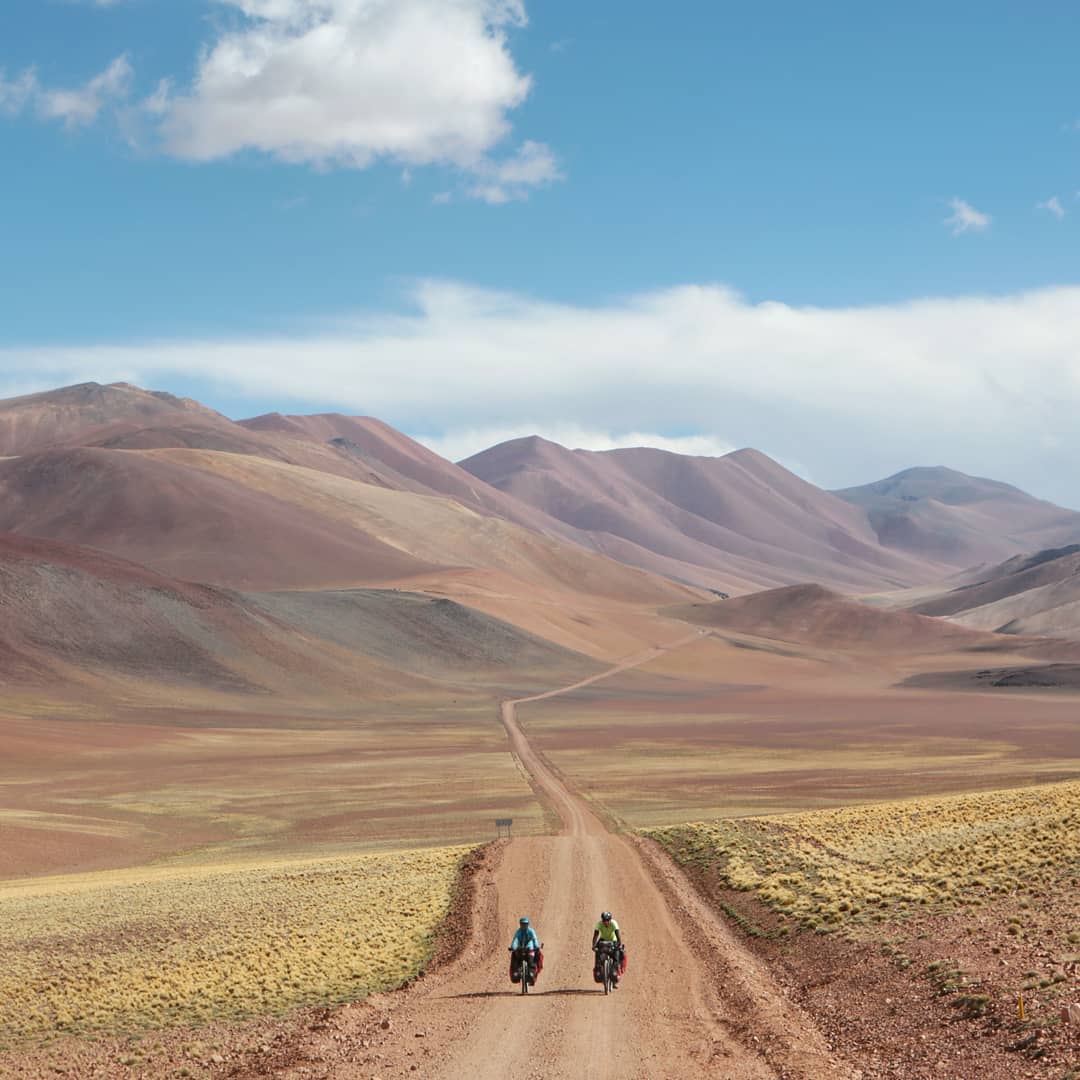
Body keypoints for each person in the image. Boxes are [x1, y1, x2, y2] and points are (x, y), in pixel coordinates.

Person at [591, 911, 626, 986]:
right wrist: (594, 946)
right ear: (602, 920)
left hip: (613, 940)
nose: (606, 922)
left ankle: (615, 975)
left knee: (616, 955)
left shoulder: (614, 923)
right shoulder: (599, 924)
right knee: (598, 953)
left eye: (607, 920)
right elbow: (595, 935)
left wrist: (619, 945)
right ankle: (599, 971)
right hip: (603, 940)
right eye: (604, 920)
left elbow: (618, 935)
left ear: (610, 920)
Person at [508, 917, 543, 983]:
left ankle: (531, 973)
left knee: (531, 961)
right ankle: (515, 973)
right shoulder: (518, 931)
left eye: (525, 924)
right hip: (520, 949)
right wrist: (513, 947)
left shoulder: (531, 931)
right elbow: (515, 940)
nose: (523, 926)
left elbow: (534, 939)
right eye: (522, 924)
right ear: (520, 924)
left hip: (530, 949)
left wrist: (536, 946)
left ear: (528, 924)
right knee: (515, 959)